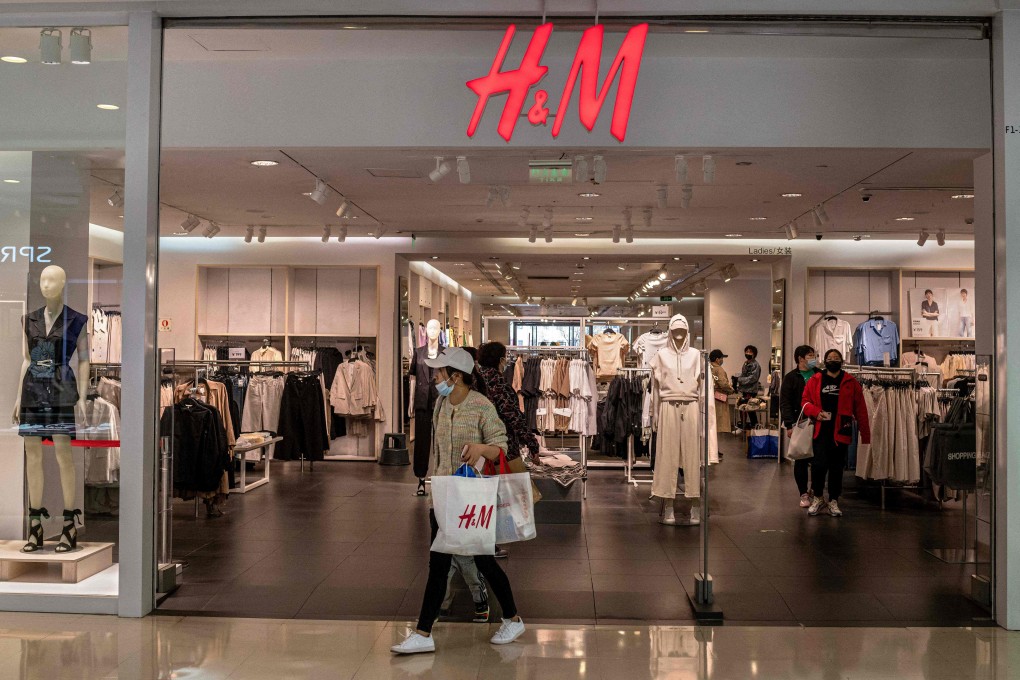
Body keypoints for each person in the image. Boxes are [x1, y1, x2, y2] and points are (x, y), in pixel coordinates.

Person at [391, 347, 524, 655]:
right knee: (439, 564)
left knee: (482, 562)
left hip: (471, 501)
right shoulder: (440, 403)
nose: (435, 377)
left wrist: (480, 447)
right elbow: (437, 453)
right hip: (443, 497)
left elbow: (500, 447)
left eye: (439, 372)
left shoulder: (481, 405)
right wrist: (432, 494)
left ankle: (512, 617)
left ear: (456, 376)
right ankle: (425, 632)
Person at [801, 349, 871, 517]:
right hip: (821, 430)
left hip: (842, 430)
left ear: (842, 361)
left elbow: (860, 409)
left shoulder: (851, 382)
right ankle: (818, 497)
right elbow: (805, 401)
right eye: (829, 358)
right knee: (818, 466)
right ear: (824, 361)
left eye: (836, 358)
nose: (833, 360)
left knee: (837, 467)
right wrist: (815, 411)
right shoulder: (815, 380)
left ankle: (833, 500)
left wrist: (865, 434)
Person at [780, 345, 819, 507]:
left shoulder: (819, 374)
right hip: (799, 422)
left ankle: (815, 491)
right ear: (800, 358)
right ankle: (803, 493)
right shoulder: (791, 377)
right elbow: (785, 402)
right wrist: (789, 424)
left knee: (819, 460)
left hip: (819, 421)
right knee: (801, 458)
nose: (814, 358)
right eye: (810, 355)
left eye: (814, 355)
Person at [733, 344, 762, 431]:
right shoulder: (746, 363)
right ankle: (743, 426)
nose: (748, 353)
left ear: (754, 354)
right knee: (742, 408)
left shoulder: (755, 365)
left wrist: (739, 379)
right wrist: (737, 380)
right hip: (744, 390)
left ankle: (754, 427)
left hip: (751, 390)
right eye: (746, 351)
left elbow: (752, 378)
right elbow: (744, 375)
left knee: (750, 409)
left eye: (750, 352)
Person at [708, 349, 735, 434]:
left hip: (710, 395)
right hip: (719, 396)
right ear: (717, 359)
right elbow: (723, 384)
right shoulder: (719, 369)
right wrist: (731, 390)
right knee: (720, 419)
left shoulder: (708, 367)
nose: (722, 360)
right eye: (721, 358)